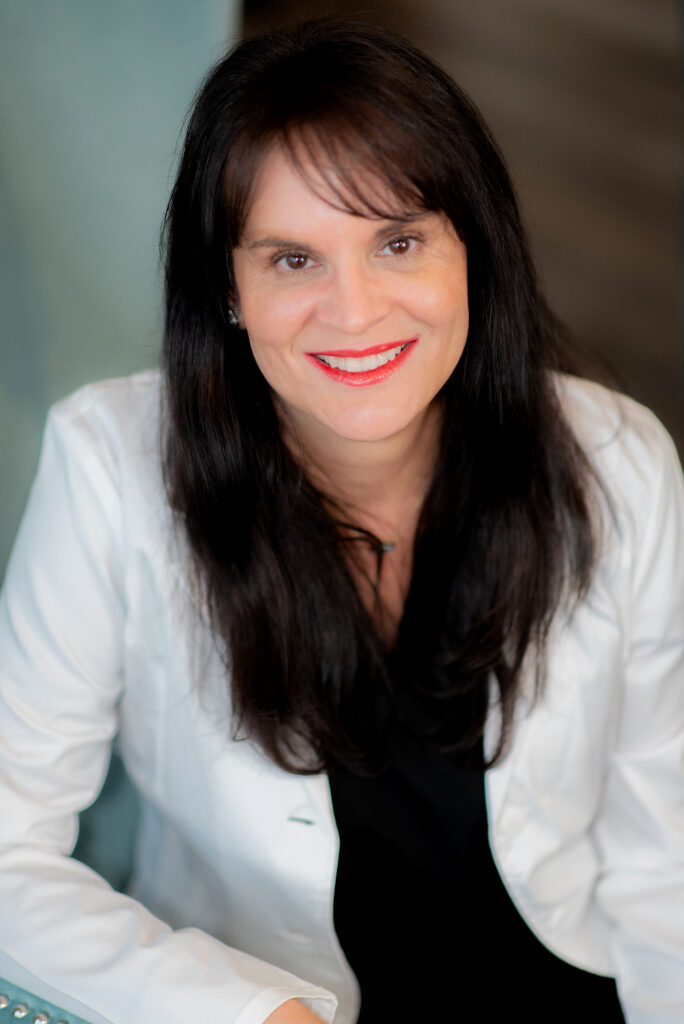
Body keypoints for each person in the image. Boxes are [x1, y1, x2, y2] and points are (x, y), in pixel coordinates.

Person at [0, 17, 683, 1024]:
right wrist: (253, 1016)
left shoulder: (617, 457)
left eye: (397, 241)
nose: (354, 310)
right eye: (290, 260)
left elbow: (663, 853)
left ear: (473, 253)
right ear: (226, 288)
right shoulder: (109, 466)